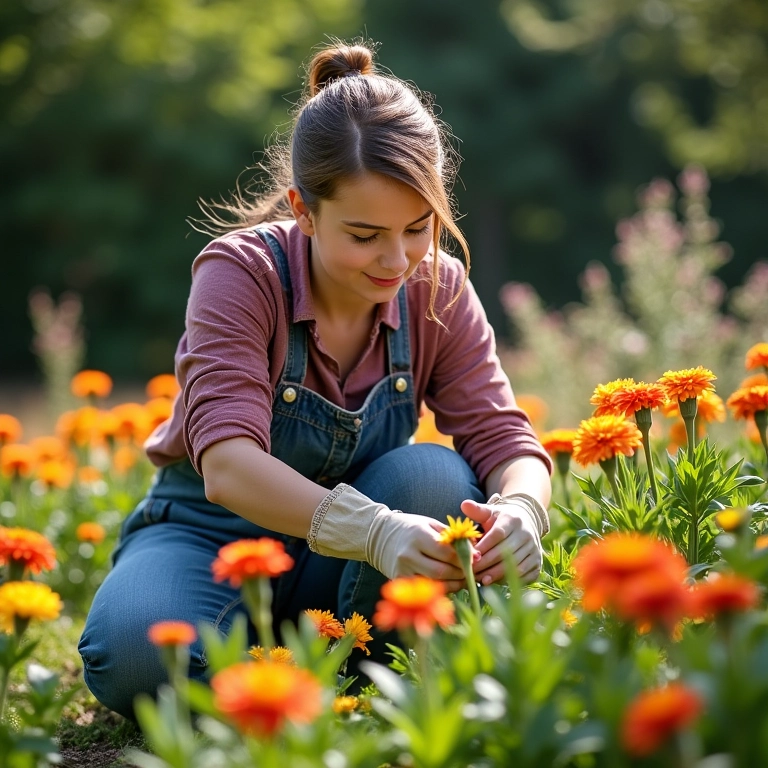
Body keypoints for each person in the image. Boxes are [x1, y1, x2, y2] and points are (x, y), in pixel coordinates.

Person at [78, 39, 553, 719]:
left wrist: (521, 510)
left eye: (418, 228)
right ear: (303, 209)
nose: (397, 260)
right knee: (135, 653)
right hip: (211, 536)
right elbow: (230, 469)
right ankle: (306, 683)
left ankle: (344, 682)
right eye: (363, 236)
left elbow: (507, 439)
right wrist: (378, 532)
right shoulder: (241, 275)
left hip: (350, 572)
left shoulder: (437, 287)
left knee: (436, 481)